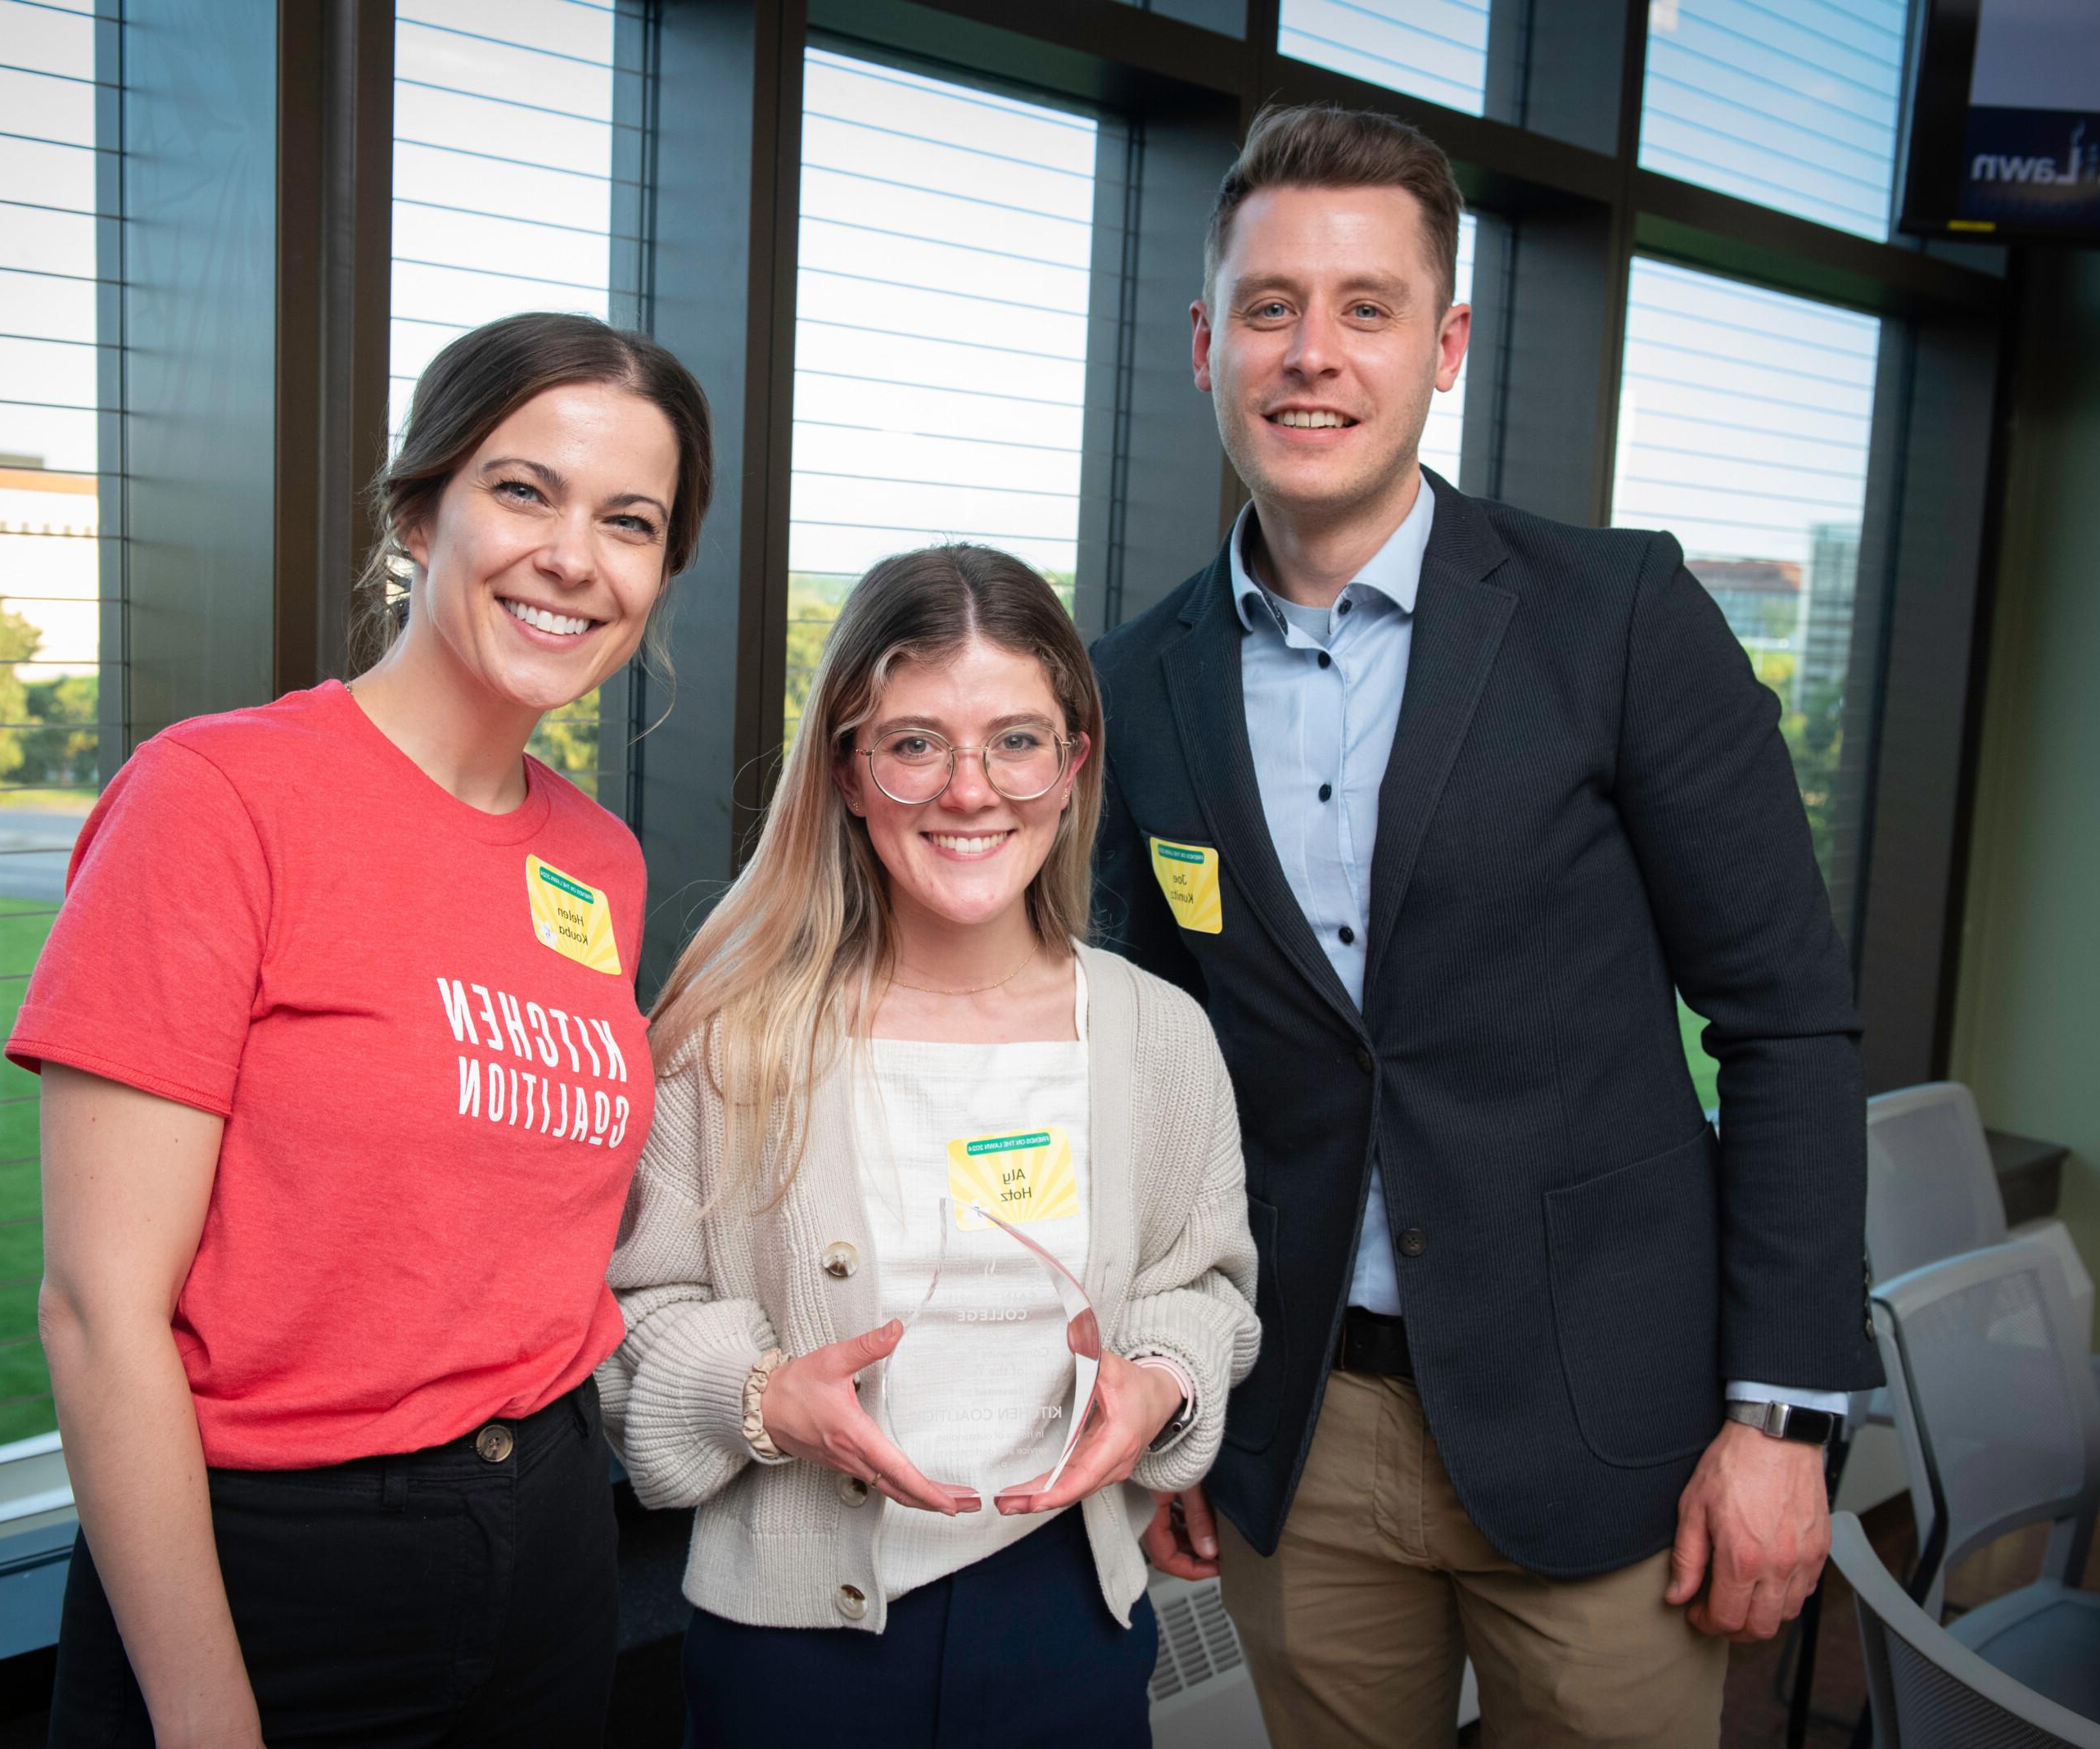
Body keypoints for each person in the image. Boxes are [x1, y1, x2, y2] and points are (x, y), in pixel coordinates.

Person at [1091, 105, 1882, 1747]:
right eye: (1270, 307)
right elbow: (1148, 1073)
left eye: (1366, 309)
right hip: (1299, 1441)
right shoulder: (1136, 680)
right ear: (1203, 342)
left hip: (1615, 1436)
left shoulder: (1623, 618)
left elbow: (1787, 1025)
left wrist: (1783, 1420)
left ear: (1442, 345)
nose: (1313, 355)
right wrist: (1183, 1409)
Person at [12, 311, 712, 1747]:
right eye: (525, 490)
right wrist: (208, 1718)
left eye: (630, 521)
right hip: (274, 1570)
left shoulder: (600, 863)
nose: (576, 555)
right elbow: (97, 1314)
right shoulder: (217, 800)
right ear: (417, 511)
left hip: (552, 1544)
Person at [600, 544, 1258, 1749]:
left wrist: (1160, 1377)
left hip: (1068, 1617)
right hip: (791, 1648)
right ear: (849, 771)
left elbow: (1201, 1287)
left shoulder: (1159, 1037)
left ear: (1073, 767)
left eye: (1016, 740)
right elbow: (630, 1313)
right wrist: (759, 1396)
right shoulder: (727, 1038)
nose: (971, 789)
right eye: (913, 744)